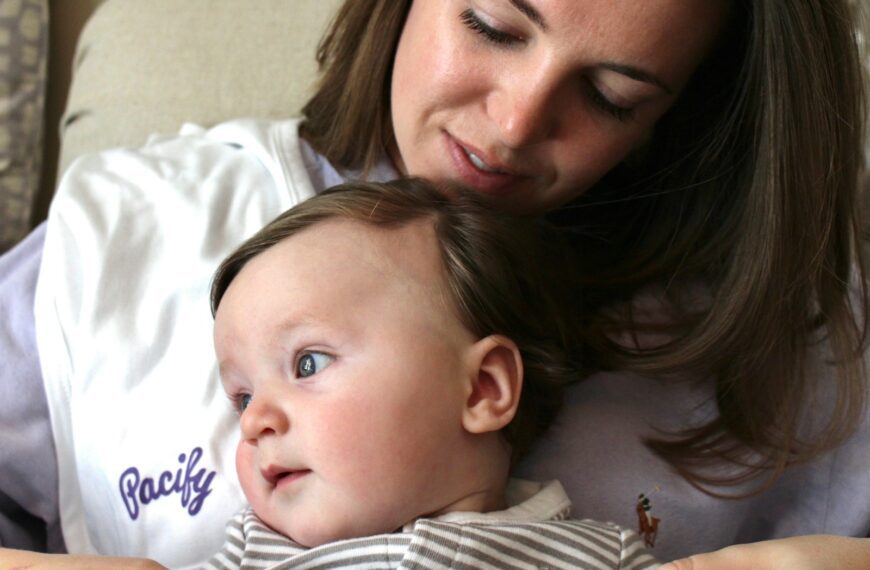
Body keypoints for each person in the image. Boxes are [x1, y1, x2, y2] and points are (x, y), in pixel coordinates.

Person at [0, 0, 867, 567]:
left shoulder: (786, 328)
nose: (516, 121)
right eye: (492, 24)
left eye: (609, 95)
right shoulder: (131, 233)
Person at [197, 178, 654, 569]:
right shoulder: (253, 553)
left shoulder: (592, 555)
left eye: (307, 363)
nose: (253, 423)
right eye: (243, 397)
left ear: (481, 389)